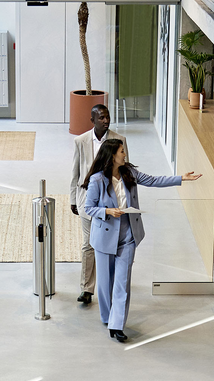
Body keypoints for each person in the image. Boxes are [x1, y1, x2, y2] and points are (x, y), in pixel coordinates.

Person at [82, 139, 200, 342]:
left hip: (128, 235)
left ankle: (117, 324)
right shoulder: (97, 180)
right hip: (104, 236)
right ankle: (107, 316)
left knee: (122, 281)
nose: (125, 154)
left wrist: (181, 178)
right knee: (104, 282)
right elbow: (89, 207)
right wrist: (107, 210)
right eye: (121, 151)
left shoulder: (129, 172)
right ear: (112, 156)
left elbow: (154, 180)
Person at [70, 105, 127, 306]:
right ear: (92, 119)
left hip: (111, 205)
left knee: (108, 245)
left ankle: (108, 284)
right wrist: (72, 199)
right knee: (88, 244)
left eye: (107, 117)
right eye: (101, 117)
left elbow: (126, 172)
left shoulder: (119, 140)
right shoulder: (80, 141)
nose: (105, 120)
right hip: (87, 201)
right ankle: (86, 288)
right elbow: (75, 173)